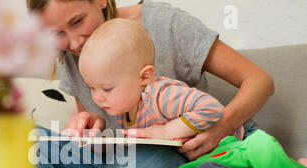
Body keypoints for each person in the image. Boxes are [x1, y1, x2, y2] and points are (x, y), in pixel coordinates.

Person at [27, 0, 275, 168]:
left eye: (78, 21)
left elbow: (259, 80)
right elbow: (106, 147)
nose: (74, 42)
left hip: (175, 154)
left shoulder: (167, 25)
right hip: (121, 162)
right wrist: (94, 126)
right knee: (6, 134)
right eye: (57, 33)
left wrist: (223, 125)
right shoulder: (74, 53)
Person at [78, 18, 246, 143]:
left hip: (236, 141)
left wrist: (166, 131)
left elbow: (213, 108)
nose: (98, 97)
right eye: (92, 87)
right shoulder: (125, 107)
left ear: (144, 77)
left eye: (106, 88)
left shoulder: (161, 96)